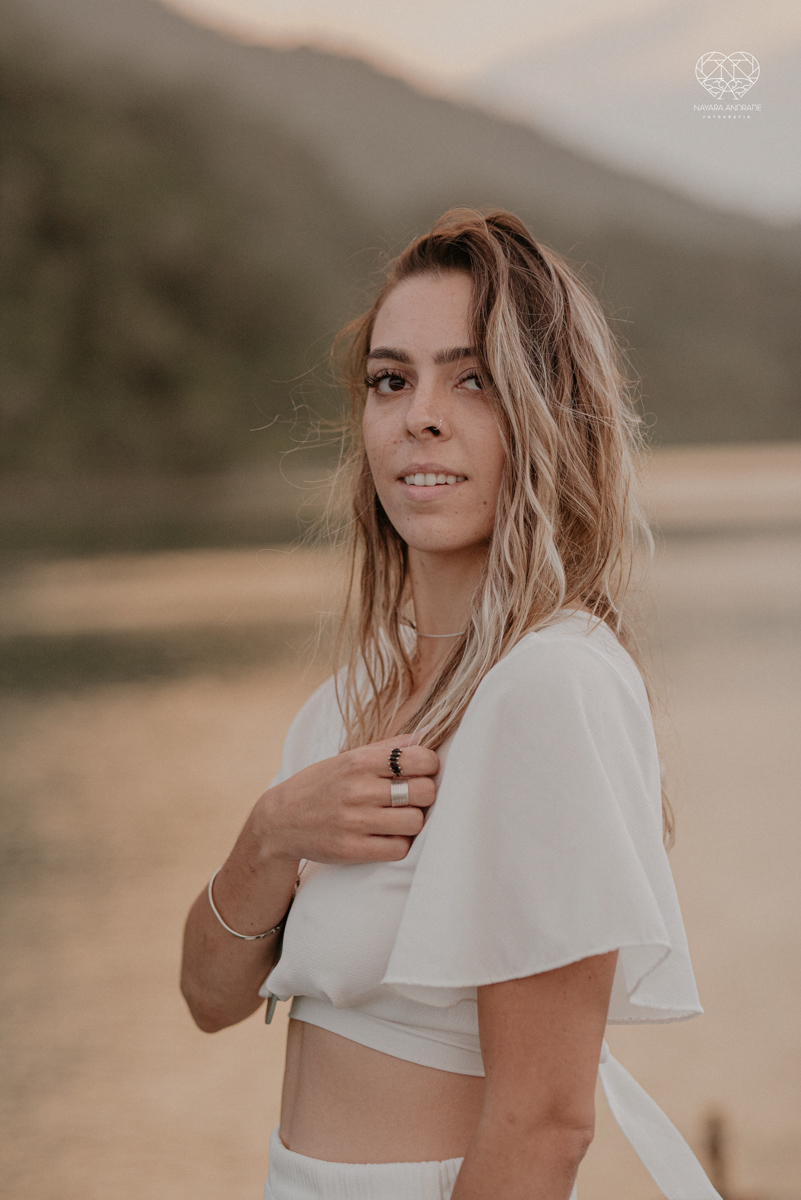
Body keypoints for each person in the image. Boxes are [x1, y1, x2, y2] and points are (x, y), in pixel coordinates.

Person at [181, 209, 720, 1200]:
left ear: (547, 414)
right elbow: (210, 997)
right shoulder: (347, 703)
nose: (419, 415)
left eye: (471, 379)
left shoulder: (547, 684)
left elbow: (545, 1123)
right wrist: (269, 836)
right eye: (393, 379)